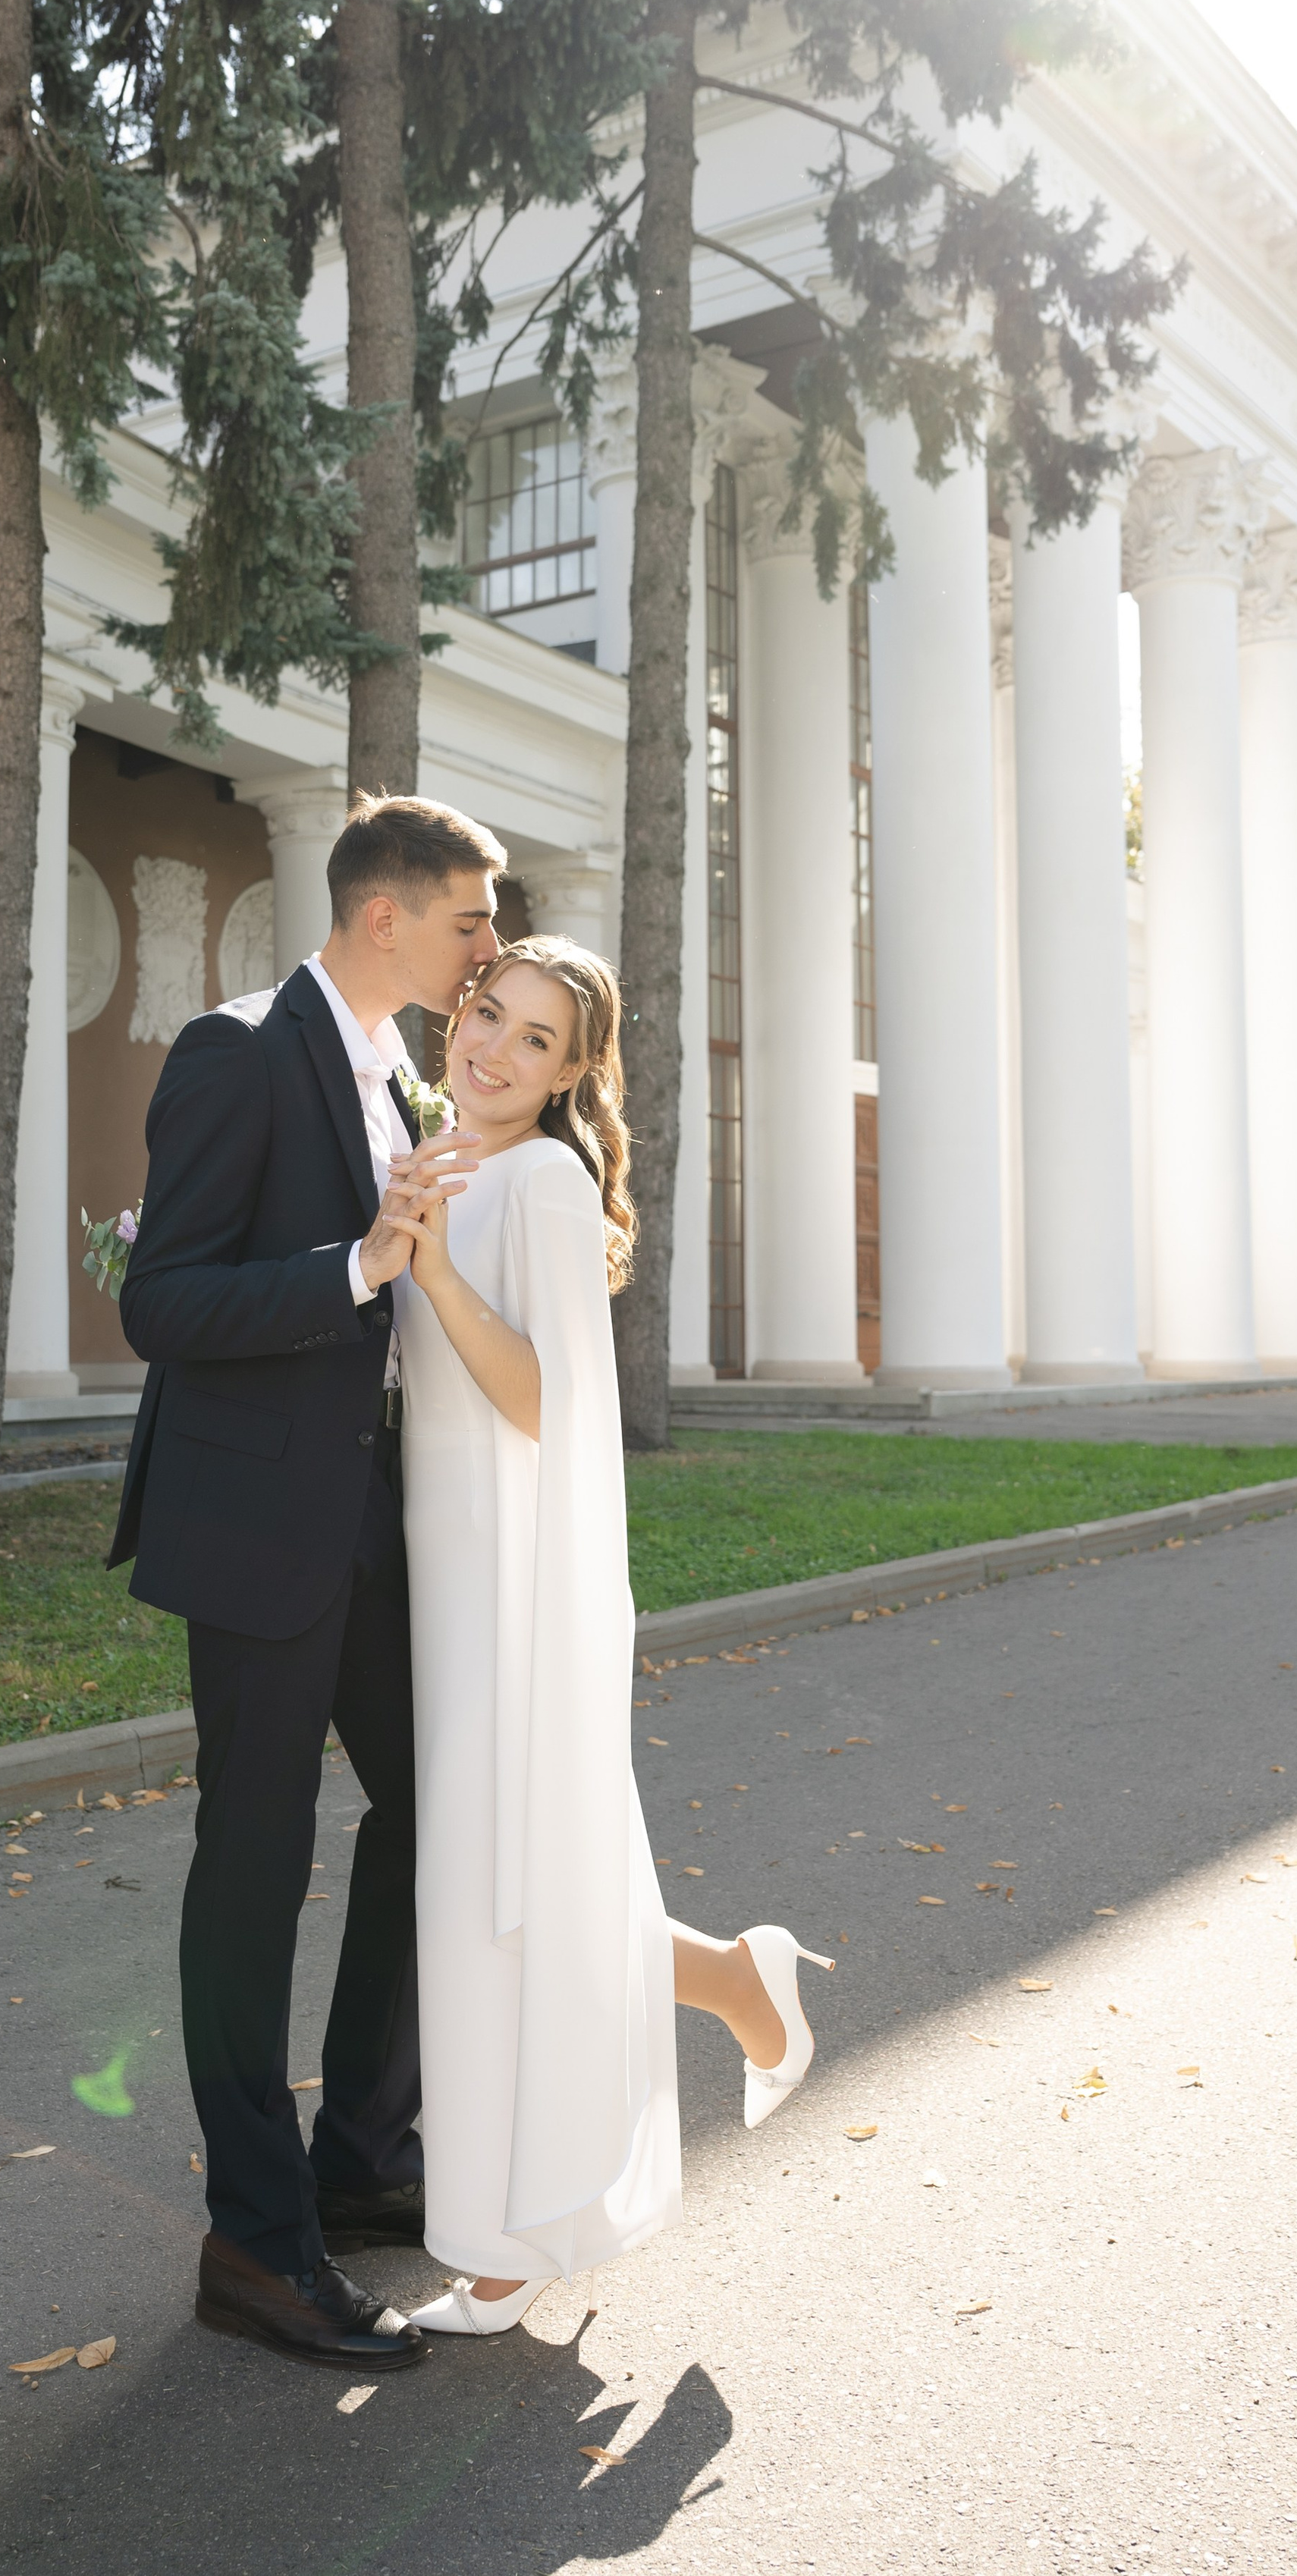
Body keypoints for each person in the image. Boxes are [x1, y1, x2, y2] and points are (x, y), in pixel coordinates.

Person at [373, 937, 836, 2337]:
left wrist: (437, 1271)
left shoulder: (550, 1179)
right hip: (438, 1566)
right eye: (487, 1017)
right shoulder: (441, 1149)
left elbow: (547, 1402)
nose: (496, 1051)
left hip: (518, 1577)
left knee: (502, 1891)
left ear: (576, 1071)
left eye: (535, 1041)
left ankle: (513, 2244)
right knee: (514, 1885)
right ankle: (735, 1978)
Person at [108, 793, 502, 2373]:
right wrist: (357, 1264)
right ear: (386, 914)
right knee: (253, 1864)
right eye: (472, 920)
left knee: (435, 1803)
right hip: (255, 1526)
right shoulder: (232, 1049)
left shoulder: (401, 1071)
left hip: (368, 1520)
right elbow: (163, 1301)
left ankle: (354, 2162)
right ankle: (252, 2242)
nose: (487, 949)